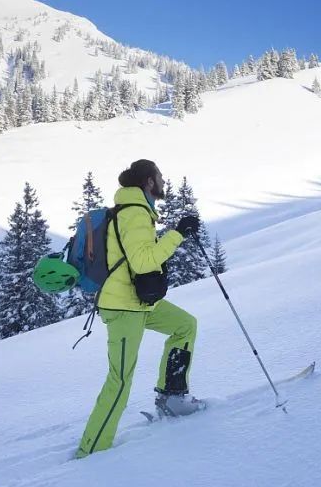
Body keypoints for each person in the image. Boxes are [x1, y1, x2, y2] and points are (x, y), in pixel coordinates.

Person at [76, 159, 204, 458]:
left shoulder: (138, 210)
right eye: (160, 176)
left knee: (184, 325)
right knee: (119, 381)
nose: (163, 181)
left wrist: (172, 235)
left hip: (137, 301)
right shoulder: (134, 213)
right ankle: (91, 450)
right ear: (148, 181)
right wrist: (178, 234)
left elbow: (139, 255)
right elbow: (143, 261)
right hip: (123, 308)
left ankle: (172, 397)